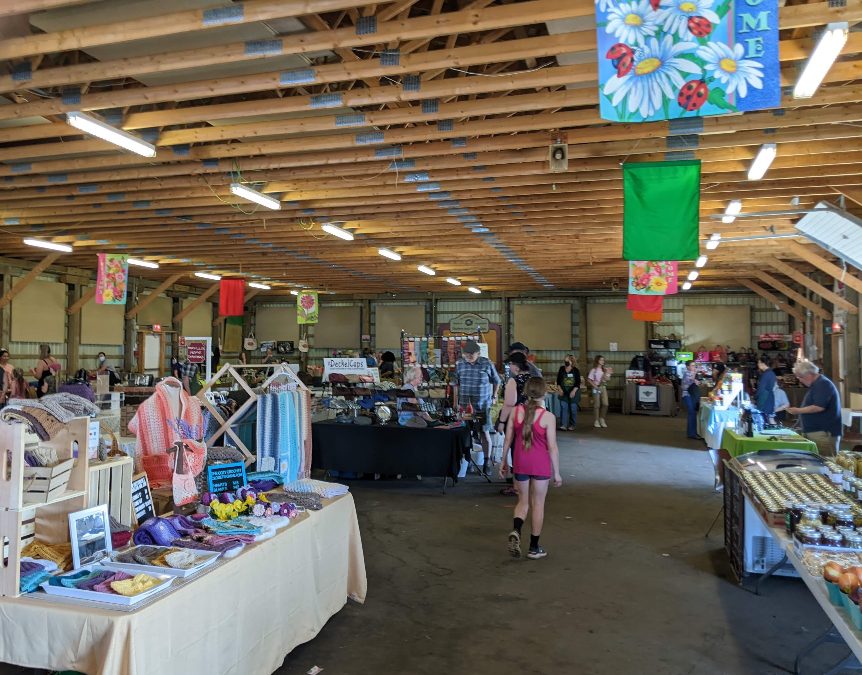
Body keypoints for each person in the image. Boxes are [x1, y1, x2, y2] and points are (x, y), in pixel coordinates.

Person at [500, 377, 562, 560]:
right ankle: (534, 548)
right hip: (540, 466)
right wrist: (557, 473)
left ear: (525, 392)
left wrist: (503, 461)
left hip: (520, 463)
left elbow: (507, 439)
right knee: (538, 504)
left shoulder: (516, 412)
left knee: (523, 502)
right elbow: (552, 447)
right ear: (544, 393)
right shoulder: (548, 417)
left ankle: (516, 530)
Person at [454, 340, 501, 472]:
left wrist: (494, 396)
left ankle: (487, 462)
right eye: (466, 354)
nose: (468, 356)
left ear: (478, 353)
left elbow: (497, 381)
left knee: (484, 433)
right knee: (465, 433)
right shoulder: (460, 364)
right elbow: (455, 384)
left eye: (471, 354)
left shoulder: (487, 364)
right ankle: (467, 460)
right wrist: (455, 402)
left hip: (482, 405)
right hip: (464, 406)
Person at [788, 361, 842, 457]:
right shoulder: (816, 384)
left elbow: (819, 407)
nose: (799, 380)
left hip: (823, 433)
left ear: (808, 374)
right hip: (817, 432)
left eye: (800, 377)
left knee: (827, 463)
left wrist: (798, 411)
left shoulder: (823, 384)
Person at [556, 355, 581, 431]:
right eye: (565, 361)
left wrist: (573, 391)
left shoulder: (576, 370)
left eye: (567, 361)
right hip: (563, 392)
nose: (566, 362)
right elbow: (558, 381)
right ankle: (563, 424)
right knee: (564, 407)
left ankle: (572, 424)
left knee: (573, 408)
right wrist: (560, 389)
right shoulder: (561, 369)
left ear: (571, 362)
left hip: (574, 392)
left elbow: (577, 383)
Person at [680, 361, 702, 440]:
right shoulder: (687, 373)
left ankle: (692, 433)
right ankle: (692, 433)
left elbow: (697, 382)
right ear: (687, 367)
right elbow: (693, 381)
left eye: (694, 365)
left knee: (692, 413)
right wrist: (695, 374)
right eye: (692, 365)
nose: (694, 367)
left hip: (691, 395)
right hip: (688, 395)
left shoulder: (692, 373)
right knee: (692, 413)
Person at [587, 355, 610, 429]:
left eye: (603, 360)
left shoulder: (605, 370)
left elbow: (607, 379)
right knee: (597, 405)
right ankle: (596, 420)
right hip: (596, 388)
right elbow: (589, 380)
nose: (602, 361)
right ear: (597, 361)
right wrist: (595, 386)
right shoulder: (593, 370)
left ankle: (602, 418)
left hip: (603, 388)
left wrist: (606, 374)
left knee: (605, 404)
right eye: (601, 360)